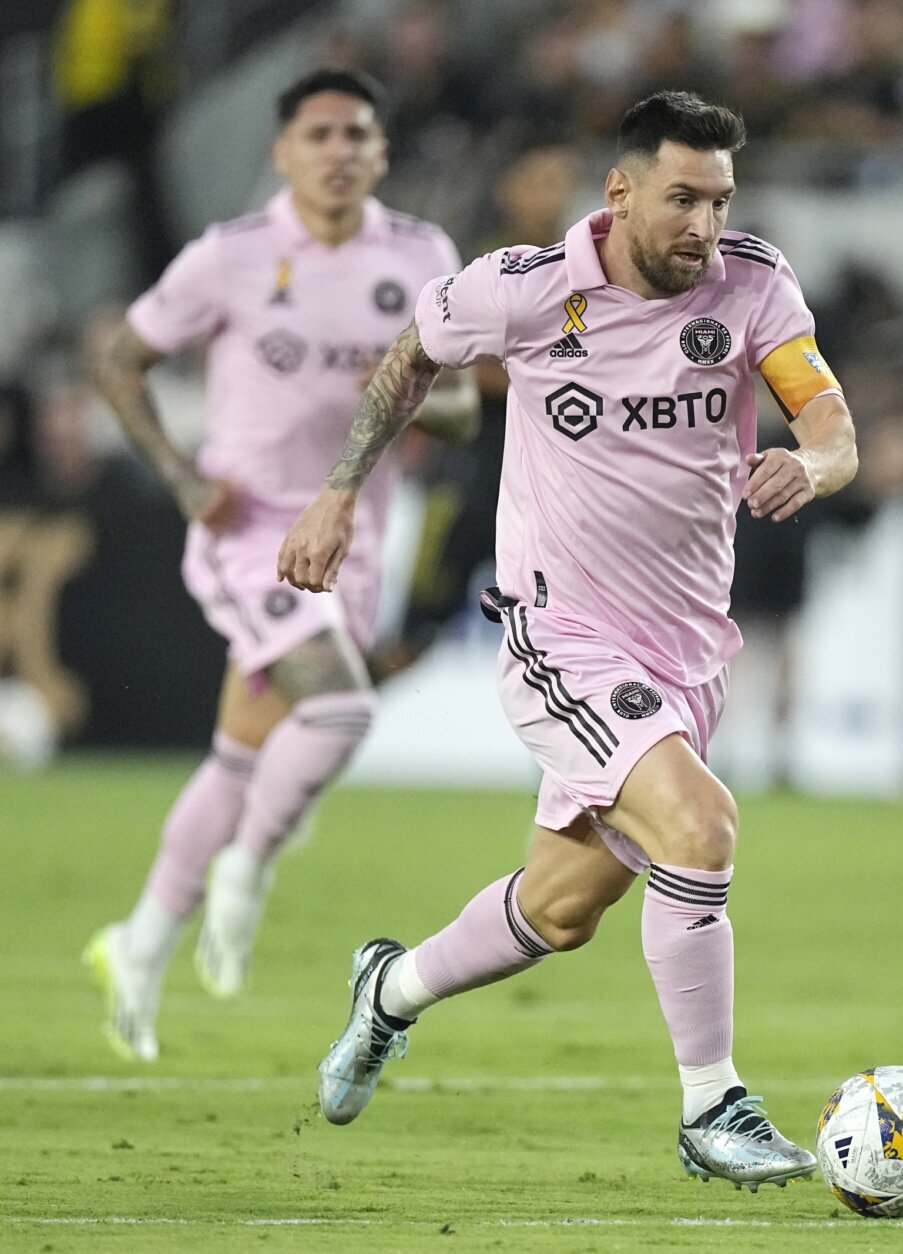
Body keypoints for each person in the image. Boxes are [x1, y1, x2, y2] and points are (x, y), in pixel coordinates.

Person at [276, 91, 858, 1189]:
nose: (702, 223)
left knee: (561, 907)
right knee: (701, 827)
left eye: (720, 199)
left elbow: (827, 422)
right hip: (563, 635)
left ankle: (388, 991)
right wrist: (338, 496)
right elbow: (407, 359)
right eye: (682, 197)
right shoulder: (528, 289)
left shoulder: (753, 284)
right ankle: (711, 1109)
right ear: (622, 191)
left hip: (688, 655)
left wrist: (812, 464)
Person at [84, 68, 474, 1063]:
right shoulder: (233, 256)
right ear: (282, 153)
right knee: (339, 710)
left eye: (356, 134)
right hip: (248, 530)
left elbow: (468, 404)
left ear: (382, 153)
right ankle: (249, 868)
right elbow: (120, 359)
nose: (339, 151)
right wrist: (177, 477)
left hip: (352, 541)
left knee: (240, 755)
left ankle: (136, 945)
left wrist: (396, 391)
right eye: (318, 135)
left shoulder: (422, 256)